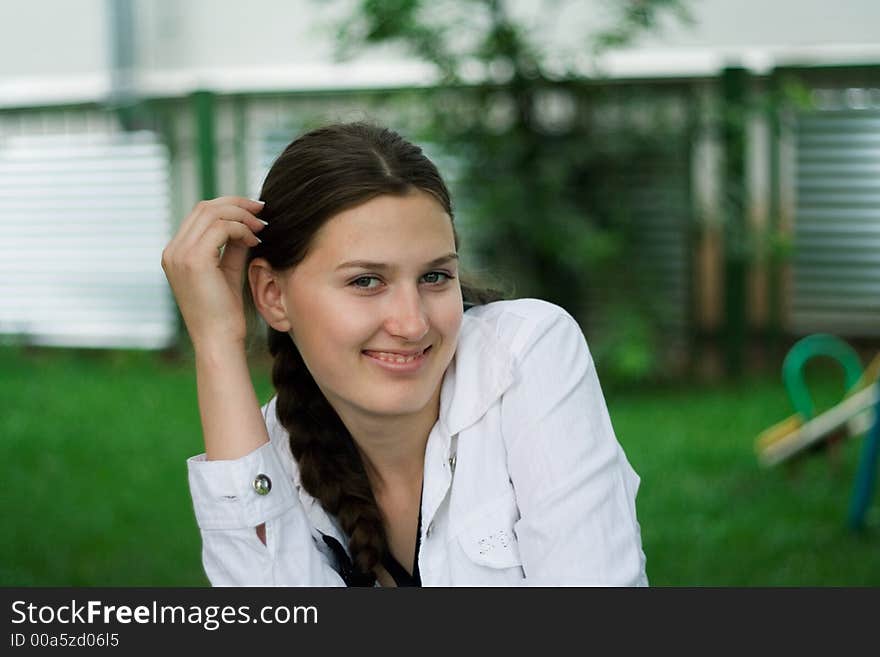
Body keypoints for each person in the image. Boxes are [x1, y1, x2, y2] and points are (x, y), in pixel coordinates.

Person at [161, 122, 648, 587]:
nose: (412, 324)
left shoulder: (524, 355)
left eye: (435, 277)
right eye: (366, 281)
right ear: (272, 295)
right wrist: (216, 343)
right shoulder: (267, 459)